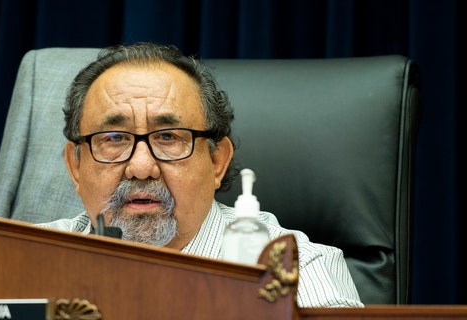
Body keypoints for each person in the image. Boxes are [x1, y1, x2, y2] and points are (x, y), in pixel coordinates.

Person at [40, 42, 363, 308]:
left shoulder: (295, 273)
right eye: (113, 139)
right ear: (76, 167)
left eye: (168, 137)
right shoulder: (25, 258)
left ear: (217, 162)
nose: (141, 167)